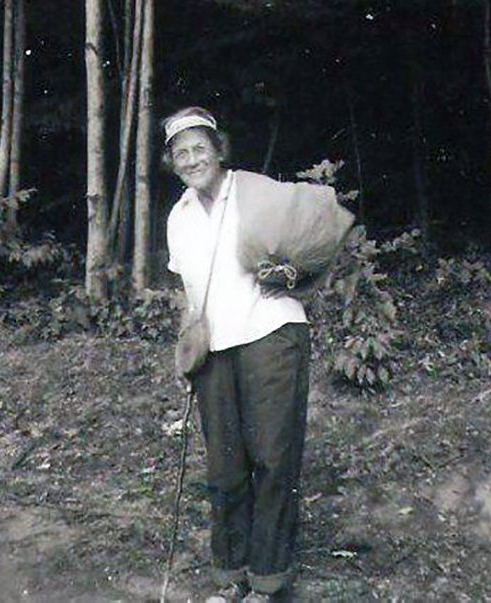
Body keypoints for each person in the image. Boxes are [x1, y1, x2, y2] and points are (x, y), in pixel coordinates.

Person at [164, 106, 311, 602]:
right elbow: (190, 292)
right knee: (225, 465)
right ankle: (231, 577)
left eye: (199, 148)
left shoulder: (254, 190)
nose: (191, 160)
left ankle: (269, 581)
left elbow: (309, 244)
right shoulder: (178, 218)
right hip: (216, 347)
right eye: (180, 153)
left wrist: (290, 275)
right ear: (173, 162)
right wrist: (186, 341)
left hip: (271, 331)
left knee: (272, 457)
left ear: (218, 150)